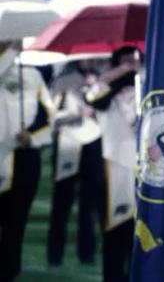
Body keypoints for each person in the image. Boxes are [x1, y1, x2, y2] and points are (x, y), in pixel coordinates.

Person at [85, 46, 141, 282]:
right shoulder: (104, 84)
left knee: (143, 234)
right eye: (124, 59)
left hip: (146, 167)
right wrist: (120, 73)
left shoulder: (147, 84)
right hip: (114, 165)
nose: (130, 63)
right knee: (115, 233)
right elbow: (94, 98)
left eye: (134, 58)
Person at [0, 42, 51, 281]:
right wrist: (8, 54)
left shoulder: (34, 75)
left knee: (16, 221)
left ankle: (10, 271)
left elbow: (50, 118)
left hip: (25, 158)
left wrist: (32, 137)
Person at [45, 59, 100, 267]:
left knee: (89, 204)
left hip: (94, 143)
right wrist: (75, 113)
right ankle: (54, 253)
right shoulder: (63, 80)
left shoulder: (101, 78)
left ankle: (86, 252)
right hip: (67, 143)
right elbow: (52, 116)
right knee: (62, 202)